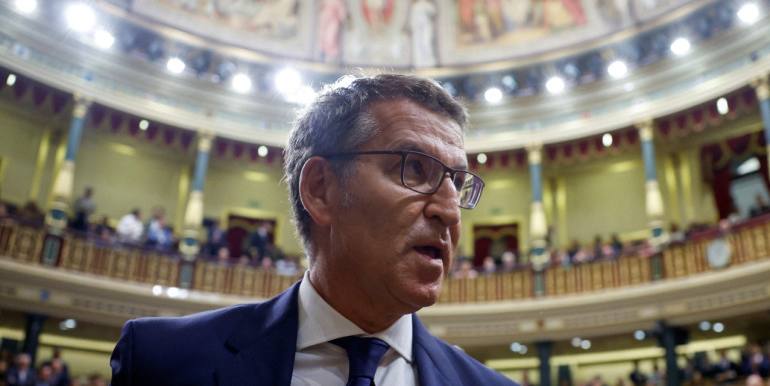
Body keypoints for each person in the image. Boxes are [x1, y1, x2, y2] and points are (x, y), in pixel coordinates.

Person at [109, 74, 515, 385]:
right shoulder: (161, 361)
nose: (450, 211)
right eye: (413, 168)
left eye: (457, 183)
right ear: (321, 190)